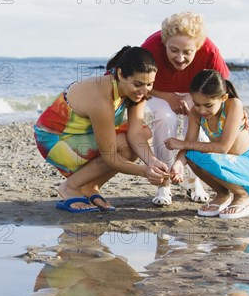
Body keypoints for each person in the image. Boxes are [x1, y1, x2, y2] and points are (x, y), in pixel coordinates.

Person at [34, 46, 169, 213]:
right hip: (54, 139)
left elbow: (136, 133)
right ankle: (70, 187)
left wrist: (153, 162)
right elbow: (110, 156)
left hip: (82, 135)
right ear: (120, 74)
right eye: (138, 84)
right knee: (122, 145)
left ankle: (90, 186)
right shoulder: (101, 99)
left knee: (143, 133)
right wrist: (144, 171)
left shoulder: (136, 93)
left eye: (150, 84)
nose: (144, 91)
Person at [142, 12, 230, 206]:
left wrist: (237, 110)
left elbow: (222, 84)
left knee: (198, 126)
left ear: (197, 47)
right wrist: (168, 97)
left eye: (187, 52)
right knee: (166, 118)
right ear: (164, 42)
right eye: (173, 50)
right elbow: (137, 82)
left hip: (195, 93)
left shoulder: (209, 49)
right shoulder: (151, 46)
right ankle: (164, 184)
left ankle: (194, 182)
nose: (180, 58)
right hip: (160, 92)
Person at [165, 70, 249, 219]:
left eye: (208, 105)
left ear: (223, 97)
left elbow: (223, 148)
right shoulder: (196, 112)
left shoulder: (234, 105)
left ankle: (243, 195)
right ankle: (222, 194)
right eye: (197, 104)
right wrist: (178, 163)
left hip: (247, 164)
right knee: (192, 155)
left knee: (206, 156)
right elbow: (189, 146)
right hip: (224, 163)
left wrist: (181, 144)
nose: (202, 110)